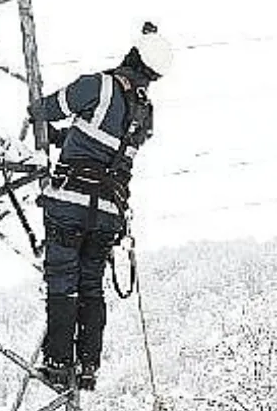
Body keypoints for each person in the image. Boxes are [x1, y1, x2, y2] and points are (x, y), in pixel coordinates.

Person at [26, 21, 173, 391]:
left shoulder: (97, 86)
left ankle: (59, 363)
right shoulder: (145, 113)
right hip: (109, 210)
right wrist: (65, 138)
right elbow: (102, 147)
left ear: (132, 54)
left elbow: (45, 109)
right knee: (91, 285)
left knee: (62, 280)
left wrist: (41, 122)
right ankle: (87, 366)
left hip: (72, 201)